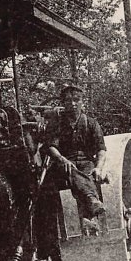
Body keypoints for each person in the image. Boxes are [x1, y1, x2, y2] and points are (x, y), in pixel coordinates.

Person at [45, 84, 107, 218]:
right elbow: (51, 146)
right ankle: (91, 200)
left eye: (76, 99)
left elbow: (101, 149)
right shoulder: (57, 123)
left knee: (89, 173)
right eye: (68, 100)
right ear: (63, 103)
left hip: (87, 162)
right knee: (70, 170)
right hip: (65, 162)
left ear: (82, 102)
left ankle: (88, 218)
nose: (72, 103)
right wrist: (62, 159)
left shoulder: (91, 123)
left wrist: (99, 168)